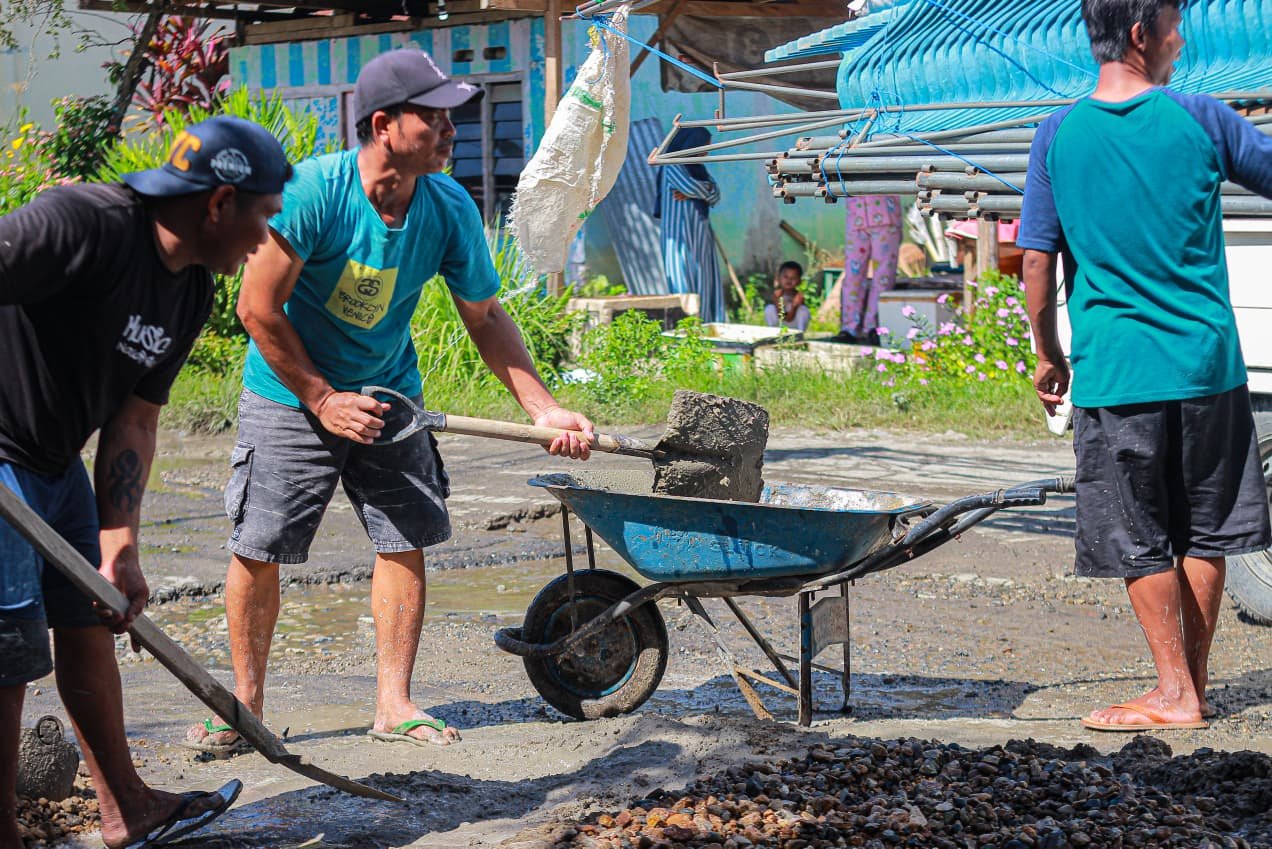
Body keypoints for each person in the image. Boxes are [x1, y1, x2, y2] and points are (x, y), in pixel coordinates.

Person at [184, 48, 595, 754]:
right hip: (290, 392)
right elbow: (257, 307)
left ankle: (394, 702)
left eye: (450, 118)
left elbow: (486, 316)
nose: (450, 131)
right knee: (260, 544)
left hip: (389, 391)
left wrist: (543, 407)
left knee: (404, 535)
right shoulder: (315, 191)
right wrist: (321, 398)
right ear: (383, 125)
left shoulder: (446, 205)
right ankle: (243, 707)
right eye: (433, 118)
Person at [0, 116, 290, 848]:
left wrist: (119, 540)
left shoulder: (189, 289)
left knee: (90, 618)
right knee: (6, 647)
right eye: (261, 214)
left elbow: (134, 419)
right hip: (1, 453)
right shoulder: (83, 224)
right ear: (218, 204)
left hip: (56, 461)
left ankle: (125, 806)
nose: (265, 238)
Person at [1019, 0, 1272, 731]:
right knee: (1205, 531)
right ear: (1140, 36)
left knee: (1138, 533)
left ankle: (1177, 692)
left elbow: (1036, 260)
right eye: (1173, 26)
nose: (1181, 40)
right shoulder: (1202, 118)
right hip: (1207, 367)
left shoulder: (1057, 136)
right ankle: (1189, 682)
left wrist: (1047, 353)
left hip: (1120, 370)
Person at [657, 127, 725, 323]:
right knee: (682, 280)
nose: (706, 152)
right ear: (691, 145)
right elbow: (693, 188)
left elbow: (716, 195)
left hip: (701, 234)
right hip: (679, 234)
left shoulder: (699, 169)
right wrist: (703, 190)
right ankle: (686, 329)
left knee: (705, 280)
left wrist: (698, 191)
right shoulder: (671, 164)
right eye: (704, 147)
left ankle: (707, 325)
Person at [832, 195, 902, 345]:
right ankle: (850, 328)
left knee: (883, 276)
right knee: (853, 275)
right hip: (856, 214)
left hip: (885, 213)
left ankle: (873, 326)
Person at [763, 261, 810, 331]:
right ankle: (773, 333)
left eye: (793, 278)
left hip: (794, 324)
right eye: (786, 277)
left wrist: (794, 305)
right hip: (781, 321)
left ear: (799, 281)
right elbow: (781, 315)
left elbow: (790, 318)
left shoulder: (799, 296)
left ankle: (800, 333)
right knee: (769, 309)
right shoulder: (777, 295)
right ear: (778, 278)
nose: (789, 280)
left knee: (803, 310)